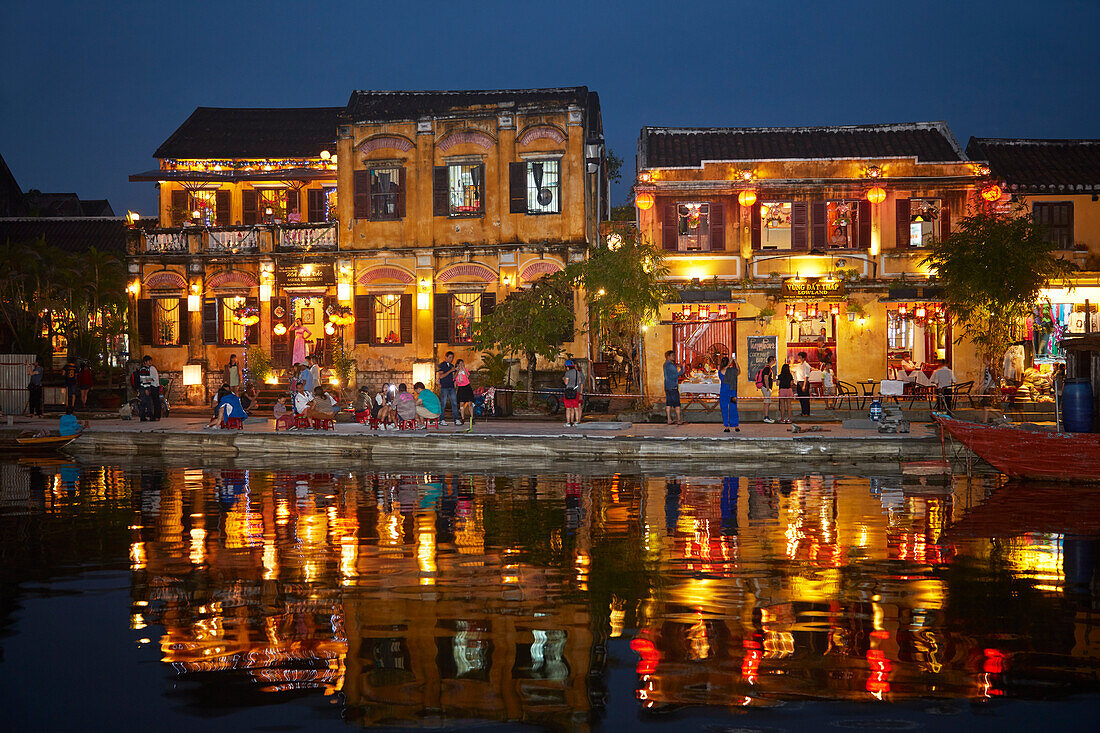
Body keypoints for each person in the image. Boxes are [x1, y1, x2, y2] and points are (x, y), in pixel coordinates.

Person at [437, 351, 461, 425]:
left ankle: (456, 419)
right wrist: (450, 370)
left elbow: (453, 377)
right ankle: (441, 419)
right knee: (443, 404)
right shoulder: (442, 365)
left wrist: (457, 371)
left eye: (452, 358)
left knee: (454, 403)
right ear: (446, 357)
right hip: (444, 387)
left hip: (451, 386)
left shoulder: (451, 365)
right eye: (450, 357)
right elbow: (441, 376)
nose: (451, 359)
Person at [718, 355, 740, 433]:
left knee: (724, 408)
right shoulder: (730, 370)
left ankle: (727, 426)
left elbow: (736, 371)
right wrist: (735, 361)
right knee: (733, 408)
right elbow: (738, 371)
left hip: (724, 392)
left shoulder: (721, 370)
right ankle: (736, 425)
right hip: (732, 392)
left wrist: (731, 362)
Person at [663, 350, 685, 425]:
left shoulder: (666, 364)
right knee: (677, 404)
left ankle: (669, 419)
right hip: (673, 386)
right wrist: (683, 367)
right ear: (668, 357)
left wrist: (678, 366)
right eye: (672, 355)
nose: (674, 357)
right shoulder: (670, 365)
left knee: (668, 403)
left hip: (667, 386)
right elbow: (678, 374)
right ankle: (679, 420)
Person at [138, 355, 161, 421]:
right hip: (145, 388)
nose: (150, 362)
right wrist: (146, 388)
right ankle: (143, 417)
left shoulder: (149, 368)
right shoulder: (144, 369)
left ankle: (150, 416)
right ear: (145, 362)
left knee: (148, 402)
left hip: (148, 387)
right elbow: (143, 380)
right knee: (144, 402)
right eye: (149, 361)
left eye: (151, 361)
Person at [755, 355, 776, 424]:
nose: (775, 361)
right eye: (774, 360)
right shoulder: (768, 368)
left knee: (767, 402)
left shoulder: (767, 368)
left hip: (765, 387)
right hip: (766, 388)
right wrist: (767, 387)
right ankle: (766, 417)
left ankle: (766, 417)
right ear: (772, 361)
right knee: (767, 402)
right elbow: (765, 377)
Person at [563, 360, 583, 427]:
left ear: (567, 366)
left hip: (568, 391)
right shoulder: (578, 372)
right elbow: (579, 382)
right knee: (576, 407)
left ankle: (568, 422)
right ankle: (577, 421)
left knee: (568, 408)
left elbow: (566, 383)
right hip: (575, 391)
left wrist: (564, 379)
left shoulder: (567, 373)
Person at [455, 359, 474, 425]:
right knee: (461, 404)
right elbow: (454, 378)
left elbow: (468, 376)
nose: (461, 365)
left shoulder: (465, 370)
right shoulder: (456, 371)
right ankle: (463, 418)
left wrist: (463, 369)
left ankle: (472, 417)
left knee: (470, 403)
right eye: (460, 364)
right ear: (457, 364)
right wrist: (457, 371)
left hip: (467, 387)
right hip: (461, 388)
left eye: (462, 363)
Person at [793, 351, 811, 418]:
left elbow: (806, 376)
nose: (798, 358)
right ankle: (803, 411)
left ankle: (806, 412)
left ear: (803, 358)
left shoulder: (806, 366)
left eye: (800, 357)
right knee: (801, 398)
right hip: (799, 382)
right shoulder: (799, 365)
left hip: (804, 382)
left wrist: (804, 385)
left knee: (805, 398)